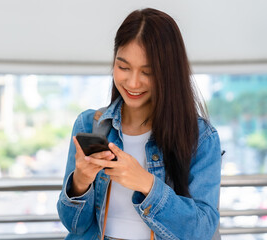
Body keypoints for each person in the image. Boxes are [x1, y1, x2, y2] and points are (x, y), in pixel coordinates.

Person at [57, 8, 221, 240]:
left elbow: (203, 230)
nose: (133, 83)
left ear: (169, 73)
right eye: (123, 67)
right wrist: (81, 182)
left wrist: (146, 183)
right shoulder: (89, 124)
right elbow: (74, 226)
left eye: (148, 72)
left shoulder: (201, 137)